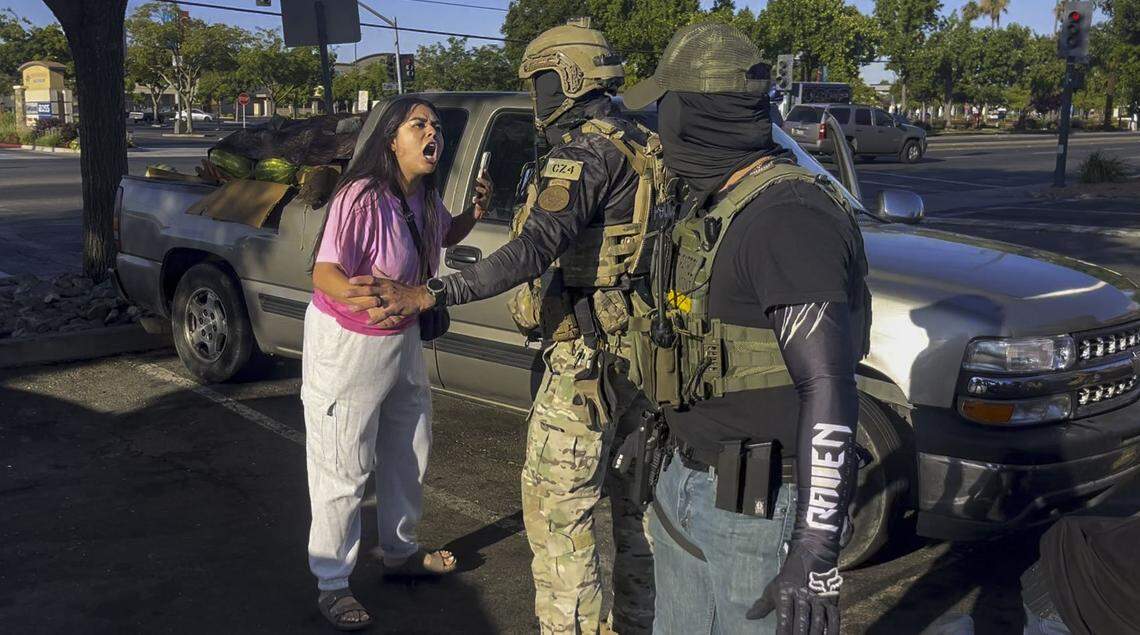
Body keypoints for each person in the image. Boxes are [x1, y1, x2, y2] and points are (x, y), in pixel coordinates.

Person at [345, 18, 659, 635]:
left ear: (567, 76)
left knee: (557, 516)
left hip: (586, 363)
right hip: (642, 358)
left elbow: (531, 251)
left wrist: (430, 290)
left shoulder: (584, 155)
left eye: (541, 81)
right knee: (635, 514)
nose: (539, 96)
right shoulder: (644, 143)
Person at [620, 22, 871, 634]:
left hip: (756, 511)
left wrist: (815, 550)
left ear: (695, 115)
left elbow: (829, 388)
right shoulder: (713, 205)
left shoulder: (788, 220)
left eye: (665, 107)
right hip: (687, 480)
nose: (657, 124)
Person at [301, 96, 492, 630]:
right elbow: (325, 272)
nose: (433, 132)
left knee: (409, 447)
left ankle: (400, 552)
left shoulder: (425, 200)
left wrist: (474, 214)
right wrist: (358, 297)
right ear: (391, 140)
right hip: (349, 346)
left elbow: (443, 236)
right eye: (419, 124)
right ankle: (332, 583)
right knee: (344, 465)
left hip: (402, 341)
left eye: (435, 126)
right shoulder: (361, 196)